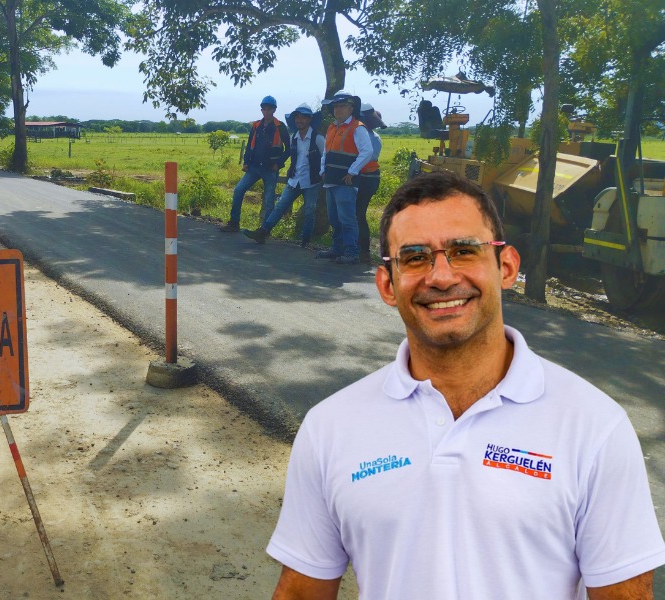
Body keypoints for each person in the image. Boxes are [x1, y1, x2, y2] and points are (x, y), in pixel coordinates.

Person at [267, 170, 665, 600]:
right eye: (415, 257)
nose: (440, 277)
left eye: (463, 251)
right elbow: (302, 592)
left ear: (507, 266)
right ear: (387, 284)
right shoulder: (331, 427)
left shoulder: (593, 426)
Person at [241, 103, 325, 247]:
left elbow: (325, 157)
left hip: (312, 180)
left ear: (310, 119)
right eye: (297, 117)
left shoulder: (318, 138)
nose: (300, 120)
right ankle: (263, 232)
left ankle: (305, 240)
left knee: (310, 210)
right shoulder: (294, 137)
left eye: (303, 117)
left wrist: (323, 174)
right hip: (295, 178)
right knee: (280, 206)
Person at [315, 93, 376, 264]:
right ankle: (337, 248)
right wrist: (322, 170)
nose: (338, 110)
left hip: (346, 181)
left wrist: (352, 171)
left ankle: (351, 251)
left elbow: (367, 152)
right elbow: (326, 153)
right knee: (334, 218)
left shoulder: (358, 127)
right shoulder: (332, 128)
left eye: (342, 106)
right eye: (335, 107)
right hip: (331, 179)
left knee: (347, 218)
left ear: (351, 109)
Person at [219, 95, 291, 233]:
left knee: (269, 200)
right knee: (239, 190)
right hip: (254, 167)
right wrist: (246, 162)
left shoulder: (280, 127)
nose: (267, 111)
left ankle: (264, 231)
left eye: (269, 109)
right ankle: (234, 223)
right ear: (261, 110)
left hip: (270, 169)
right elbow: (249, 146)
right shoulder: (256, 126)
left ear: (274, 110)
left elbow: (288, 149)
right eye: (264, 109)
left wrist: (279, 163)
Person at [354, 103, 387, 260]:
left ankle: (363, 249)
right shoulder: (376, 137)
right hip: (372, 177)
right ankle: (361, 248)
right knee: (359, 211)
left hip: (365, 177)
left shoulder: (364, 135)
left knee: (358, 212)